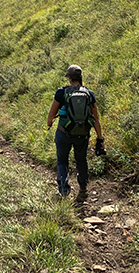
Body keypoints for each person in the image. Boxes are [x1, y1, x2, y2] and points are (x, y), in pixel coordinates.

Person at [46, 64, 103, 199]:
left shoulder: (61, 92)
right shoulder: (89, 94)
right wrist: (100, 138)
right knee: (81, 159)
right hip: (82, 134)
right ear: (80, 77)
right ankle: (83, 187)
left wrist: (50, 123)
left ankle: (64, 190)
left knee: (62, 161)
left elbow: (51, 115)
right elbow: (96, 118)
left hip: (63, 133)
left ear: (69, 78)